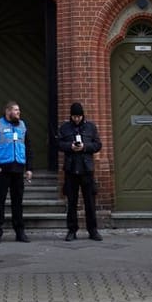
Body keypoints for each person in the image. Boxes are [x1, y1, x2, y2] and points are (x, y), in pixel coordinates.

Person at [57, 101, 103, 241]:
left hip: (86, 169)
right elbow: (58, 144)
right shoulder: (65, 128)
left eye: (79, 116)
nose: (77, 119)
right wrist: (70, 146)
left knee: (90, 202)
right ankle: (72, 230)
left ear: (83, 115)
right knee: (72, 202)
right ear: (71, 116)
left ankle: (93, 230)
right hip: (71, 169)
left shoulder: (90, 127)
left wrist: (84, 147)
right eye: (74, 116)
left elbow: (97, 145)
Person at [0, 100, 30, 243]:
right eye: (16, 110)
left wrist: (29, 168)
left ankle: (20, 232)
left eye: (19, 110)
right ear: (8, 111)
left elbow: (28, 148)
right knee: (0, 202)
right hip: (3, 169)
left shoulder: (22, 126)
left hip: (18, 169)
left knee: (18, 202)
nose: (19, 113)